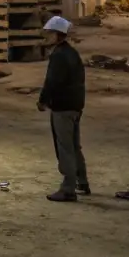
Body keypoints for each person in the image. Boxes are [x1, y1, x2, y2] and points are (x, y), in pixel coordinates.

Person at [37, 15, 88, 202]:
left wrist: (43, 100)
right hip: (75, 105)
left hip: (63, 107)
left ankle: (68, 188)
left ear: (58, 35)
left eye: (49, 33)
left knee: (65, 147)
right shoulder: (72, 53)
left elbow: (52, 82)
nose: (46, 37)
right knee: (74, 145)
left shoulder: (58, 56)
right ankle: (82, 182)